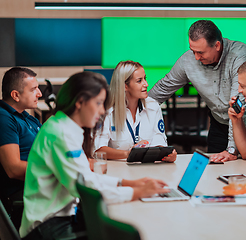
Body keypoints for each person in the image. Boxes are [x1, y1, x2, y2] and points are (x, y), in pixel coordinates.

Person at [20, 72, 170, 239]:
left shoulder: (64, 126)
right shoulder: (61, 134)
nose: (102, 111)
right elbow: (87, 188)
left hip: (57, 219)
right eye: (98, 103)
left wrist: (129, 183)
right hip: (47, 228)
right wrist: (137, 192)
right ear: (80, 102)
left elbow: (86, 178)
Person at [148, 20, 246, 162]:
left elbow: (239, 104)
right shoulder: (188, 60)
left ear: (217, 45)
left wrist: (231, 149)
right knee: (215, 169)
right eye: (193, 51)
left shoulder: (240, 56)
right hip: (219, 125)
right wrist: (133, 111)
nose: (196, 57)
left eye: (200, 52)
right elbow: (163, 88)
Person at [94, 60, 177, 162]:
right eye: (139, 81)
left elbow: (159, 143)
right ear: (125, 86)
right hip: (118, 171)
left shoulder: (153, 107)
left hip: (148, 169)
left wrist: (166, 155)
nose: (146, 84)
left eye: (145, 79)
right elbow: (98, 150)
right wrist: (128, 154)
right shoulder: (106, 111)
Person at [0, 67, 42, 229]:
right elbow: (13, 169)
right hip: (23, 197)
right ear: (15, 95)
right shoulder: (4, 119)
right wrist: (57, 169)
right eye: (33, 89)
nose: (39, 93)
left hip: (37, 188)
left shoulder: (26, 117)